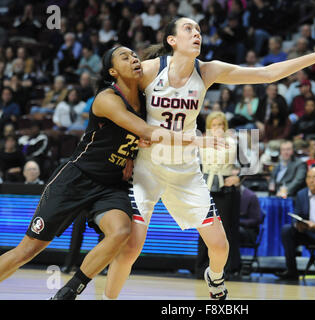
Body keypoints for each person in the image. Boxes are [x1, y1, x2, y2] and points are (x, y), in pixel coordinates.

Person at [102, 17, 315, 300]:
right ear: (171, 41)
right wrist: (134, 134)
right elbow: (114, 104)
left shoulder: (207, 71)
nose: (196, 33)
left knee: (220, 247)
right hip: (148, 167)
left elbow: (267, 74)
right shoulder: (148, 70)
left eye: (198, 30)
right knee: (132, 247)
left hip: (185, 170)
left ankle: (215, 276)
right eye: (188, 29)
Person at [0, 46, 180, 300]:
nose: (133, 59)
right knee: (27, 251)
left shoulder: (146, 100)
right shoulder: (107, 98)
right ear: (112, 71)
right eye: (125, 57)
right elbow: (146, 131)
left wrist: (133, 153)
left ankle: (68, 292)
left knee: (120, 232)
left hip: (110, 185)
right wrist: (199, 142)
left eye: (135, 55)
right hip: (75, 179)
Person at [196, 111, 241, 278]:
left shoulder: (233, 142)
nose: (218, 128)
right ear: (209, 127)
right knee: (204, 228)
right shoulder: (201, 142)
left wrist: (238, 177)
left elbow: (249, 163)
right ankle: (201, 267)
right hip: (205, 188)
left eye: (221, 125)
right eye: (214, 125)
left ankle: (226, 269)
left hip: (226, 190)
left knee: (226, 230)